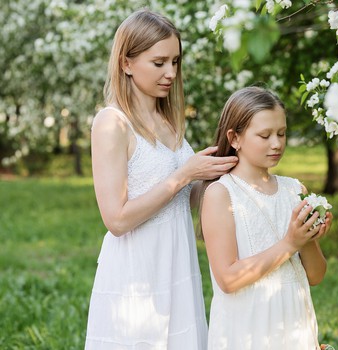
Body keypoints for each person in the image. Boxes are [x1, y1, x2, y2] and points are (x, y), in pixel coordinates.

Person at [85, 9, 238, 349]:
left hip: (177, 263)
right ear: (126, 62)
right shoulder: (112, 123)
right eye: (159, 63)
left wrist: (216, 173)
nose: (170, 73)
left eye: (175, 62)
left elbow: (186, 198)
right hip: (137, 271)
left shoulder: (167, 121)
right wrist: (184, 175)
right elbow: (117, 219)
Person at [200, 86, 332, 349]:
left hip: (294, 324)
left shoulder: (294, 190)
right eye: (265, 135)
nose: (276, 143)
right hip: (248, 328)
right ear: (234, 138)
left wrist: (307, 239)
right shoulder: (221, 194)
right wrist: (290, 243)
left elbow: (315, 276)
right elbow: (227, 278)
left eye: (282, 133)